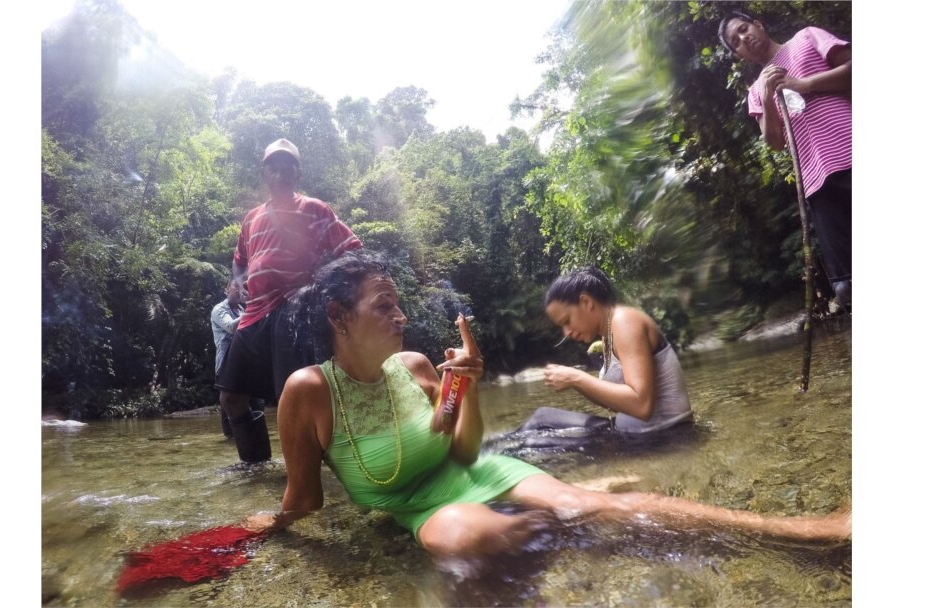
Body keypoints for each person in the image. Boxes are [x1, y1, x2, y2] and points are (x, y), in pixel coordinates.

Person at [239, 252, 849, 558]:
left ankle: (812, 532)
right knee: (462, 539)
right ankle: (586, 506)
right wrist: (261, 529)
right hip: (420, 507)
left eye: (399, 303)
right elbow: (306, 497)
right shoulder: (308, 391)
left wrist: (469, 386)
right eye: (383, 305)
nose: (400, 316)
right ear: (339, 318)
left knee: (583, 507)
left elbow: (465, 448)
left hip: (478, 470)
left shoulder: (418, 367)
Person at [215, 138, 362, 462]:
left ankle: (313, 471)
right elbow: (239, 259)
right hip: (254, 314)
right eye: (273, 166)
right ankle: (256, 468)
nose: (280, 172)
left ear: (297, 172)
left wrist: (321, 289)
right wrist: (241, 284)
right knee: (231, 397)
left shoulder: (314, 209)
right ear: (264, 172)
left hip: (292, 310)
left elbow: (352, 250)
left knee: (291, 396)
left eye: (287, 166)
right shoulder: (252, 217)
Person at [718, 12, 852, 307]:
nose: (744, 38)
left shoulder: (806, 37)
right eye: (735, 41)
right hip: (817, 184)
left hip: (852, 153)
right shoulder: (755, 93)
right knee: (848, 285)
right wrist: (766, 96)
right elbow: (775, 143)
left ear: (759, 24)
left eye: (744, 29)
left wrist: (803, 85)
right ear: (738, 55)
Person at [517, 267, 692, 435]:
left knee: (540, 425)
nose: (567, 332)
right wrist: (573, 383)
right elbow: (618, 405)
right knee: (543, 420)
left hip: (663, 438)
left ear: (586, 302)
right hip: (635, 435)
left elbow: (641, 405)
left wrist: (575, 378)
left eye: (567, 320)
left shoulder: (625, 322)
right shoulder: (609, 334)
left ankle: (493, 453)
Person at [211, 278, 244, 438]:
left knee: (251, 405)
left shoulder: (242, 310)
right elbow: (232, 327)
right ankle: (229, 443)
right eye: (235, 287)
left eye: (242, 288)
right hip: (226, 365)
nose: (239, 290)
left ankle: (246, 443)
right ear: (227, 289)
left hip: (243, 365)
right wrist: (254, 308)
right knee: (228, 406)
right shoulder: (219, 309)